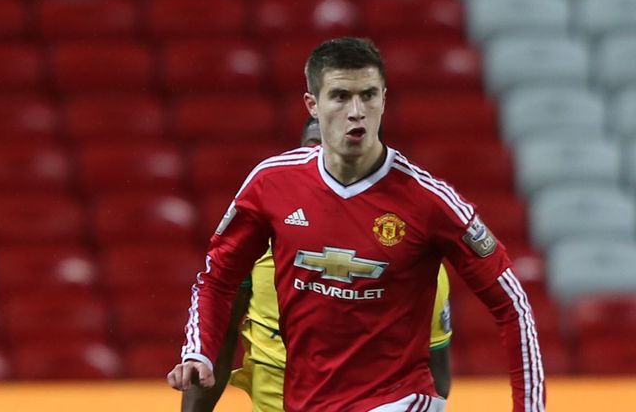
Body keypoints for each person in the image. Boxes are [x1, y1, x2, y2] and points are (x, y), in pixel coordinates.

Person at [168, 37, 545, 412]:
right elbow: (217, 279)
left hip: (399, 401)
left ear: (384, 98)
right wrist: (198, 351)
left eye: (368, 96)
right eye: (340, 96)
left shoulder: (429, 201)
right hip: (306, 401)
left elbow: (513, 305)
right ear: (312, 105)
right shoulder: (271, 184)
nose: (356, 111)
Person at [181, 118, 453, 412]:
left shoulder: (416, 262)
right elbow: (220, 335)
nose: (322, 163)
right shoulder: (259, 236)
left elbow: (435, 369)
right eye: (312, 150)